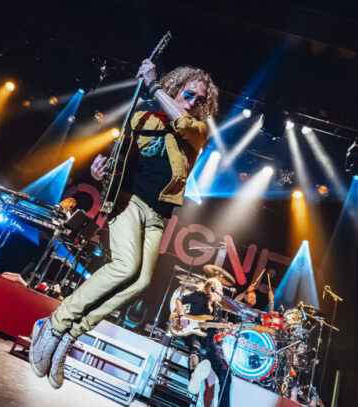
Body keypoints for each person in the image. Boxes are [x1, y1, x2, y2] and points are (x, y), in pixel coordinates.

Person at [29, 59, 219, 389]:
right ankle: (56, 324)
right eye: (189, 94)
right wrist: (105, 170)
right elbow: (122, 160)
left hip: (159, 214)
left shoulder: (197, 130)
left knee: (140, 280)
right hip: (129, 202)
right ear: (178, 89)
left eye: (201, 100)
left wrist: (155, 86)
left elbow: (185, 122)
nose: (194, 102)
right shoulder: (143, 116)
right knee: (125, 266)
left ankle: (70, 334)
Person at [175, 278, 231, 407]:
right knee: (196, 348)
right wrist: (182, 315)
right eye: (220, 289)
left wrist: (224, 330)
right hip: (192, 333)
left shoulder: (218, 308)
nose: (222, 292)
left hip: (208, 342)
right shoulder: (198, 296)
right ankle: (194, 377)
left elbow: (214, 329)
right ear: (212, 288)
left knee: (225, 374)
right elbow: (179, 300)